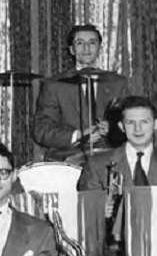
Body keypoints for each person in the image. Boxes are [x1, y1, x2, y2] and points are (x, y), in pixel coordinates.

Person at [33, 25, 129, 162]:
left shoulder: (117, 83)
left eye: (92, 42)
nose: (86, 48)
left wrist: (113, 129)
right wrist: (78, 135)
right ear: (72, 49)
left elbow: (130, 121)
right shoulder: (54, 85)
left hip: (109, 156)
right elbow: (41, 130)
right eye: (80, 43)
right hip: (67, 156)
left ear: (99, 48)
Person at [77, 96, 157, 190]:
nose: (137, 129)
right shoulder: (98, 165)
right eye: (130, 123)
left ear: (156, 124)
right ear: (121, 126)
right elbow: (89, 211)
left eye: (144, 122)